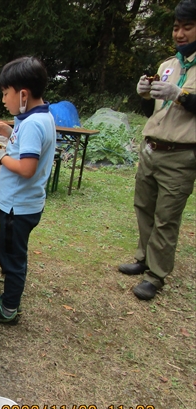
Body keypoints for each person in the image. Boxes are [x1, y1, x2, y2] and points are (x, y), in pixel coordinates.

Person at [118, 0, 196, 301]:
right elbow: (154, 108)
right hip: (151, 147)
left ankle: (156, 275)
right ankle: (143, 258)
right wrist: (143, 93)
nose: (180, 33)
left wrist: (182, 95)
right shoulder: (168, 65)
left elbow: (185, 103)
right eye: (176, 27)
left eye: (187, 27)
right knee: (144, 207)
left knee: (167, 216)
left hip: (181, 153)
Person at [0, 57, 56, 324]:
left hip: (17, 207)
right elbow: (26, 144)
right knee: (13, 254)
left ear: (22, 94)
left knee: (11, 258)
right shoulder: (38, 117)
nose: (3, 99)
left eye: (5, 93)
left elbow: (26, 168)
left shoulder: (33, 124)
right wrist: (9, 130)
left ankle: (8, 309)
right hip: (25, 204)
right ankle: (8, 298)